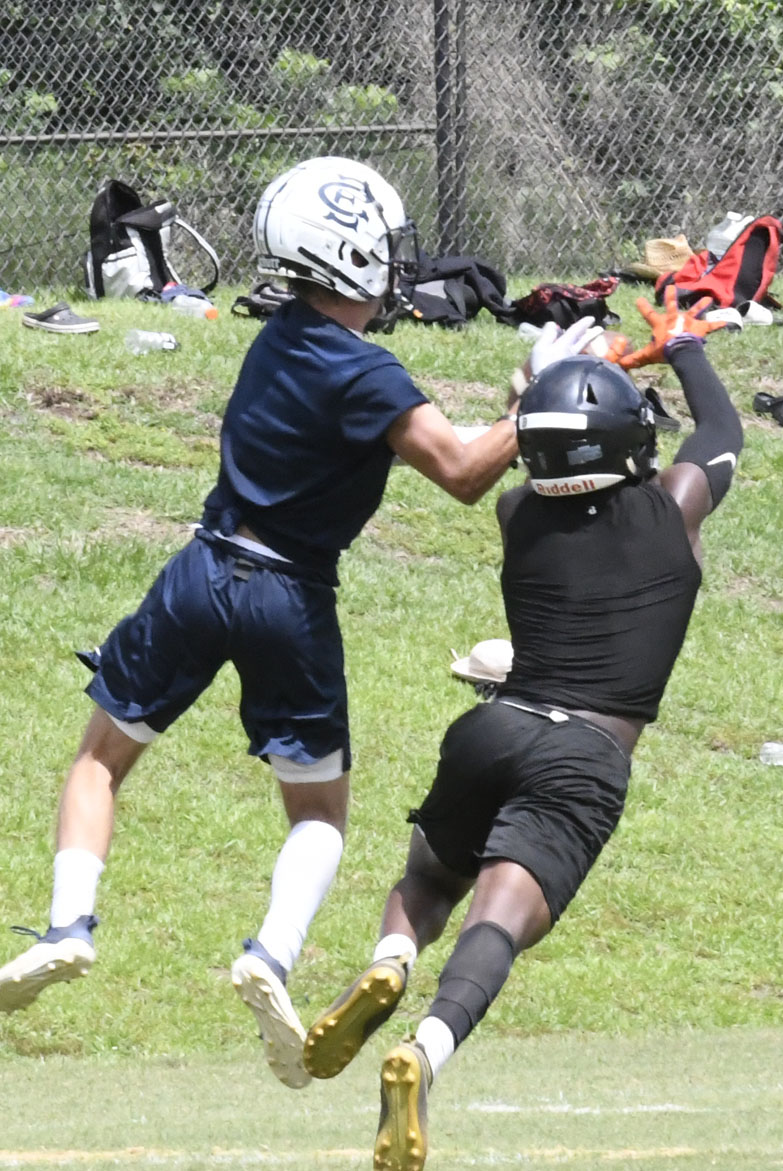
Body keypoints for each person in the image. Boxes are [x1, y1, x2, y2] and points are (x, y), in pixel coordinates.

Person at [0, 156, 596, 1090]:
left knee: (97, 761)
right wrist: (539, 403)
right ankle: (270, 956)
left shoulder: (275, 336)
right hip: (290, 597)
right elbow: (467, 473)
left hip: (199, 571)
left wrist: (516, 401)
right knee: (318, 813)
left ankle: (70, 923)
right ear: (351, 252)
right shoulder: (369, 371)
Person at [300, 285, 741, 1171]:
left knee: (427, 883)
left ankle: (390, 957)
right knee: (498, 921)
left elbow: (533, 455)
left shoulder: (516, 516)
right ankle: (424, 1050)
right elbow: (722, 434)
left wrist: (529, 394)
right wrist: (684, 345)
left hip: (492, 728)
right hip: (584, 752)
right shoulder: (672, 511)